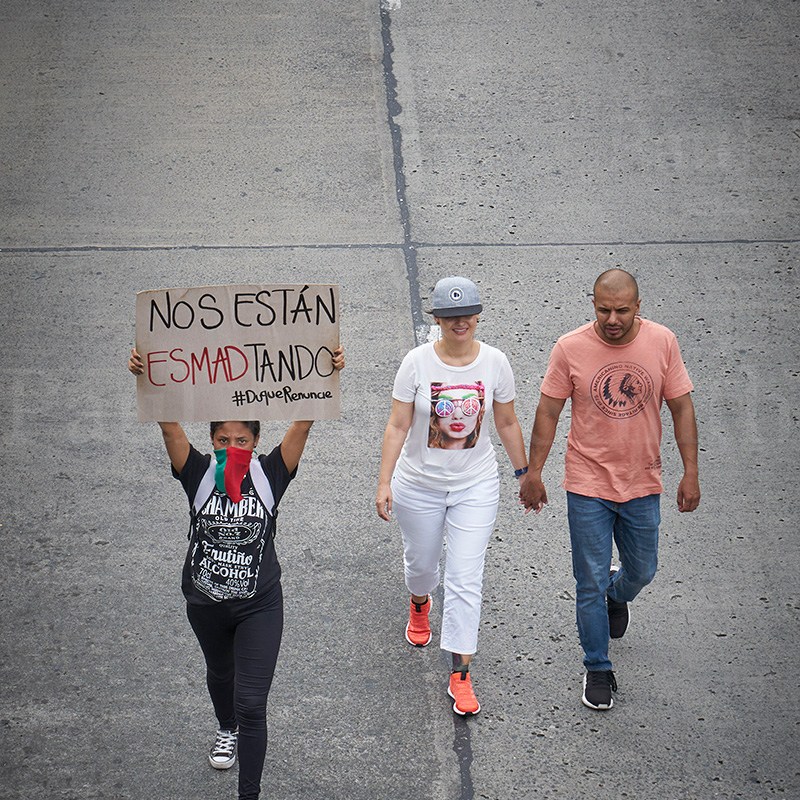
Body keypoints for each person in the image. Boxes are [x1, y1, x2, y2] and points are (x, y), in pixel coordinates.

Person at [128, 345, 344, 800]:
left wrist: (325, 372)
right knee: (220, 674)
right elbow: (168, 425)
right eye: (223, 440)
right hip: (204, 603)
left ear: (256, 442)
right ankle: (225, 728)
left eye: (241, 441)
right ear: (211, 442)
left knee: (252, 704)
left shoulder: (270, 474)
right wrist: (146, 377)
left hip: (258, 605)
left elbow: (303, 423)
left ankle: (249, 793)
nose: (232, 448)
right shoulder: (197, 473)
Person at [519, 269, 700, 711]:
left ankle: (617, 596)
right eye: (603, 310)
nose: (612, 319)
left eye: (621, 310)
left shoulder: (662, 342)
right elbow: (548, 412)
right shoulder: (570, 348)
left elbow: (681, 407)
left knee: (643, 570)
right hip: (587, 484)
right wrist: (533, 473)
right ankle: (597, 667)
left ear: (638, 306)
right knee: (589, 581)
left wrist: (690, 472)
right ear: (593, 305)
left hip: (642, 482)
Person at [376, 276, 528, 716]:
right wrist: (384, 482)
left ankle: (460, 673)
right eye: (449, 316)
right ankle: (419, 602)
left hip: (475, 485)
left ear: (477, 316)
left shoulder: (495, 362)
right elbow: (398, 425)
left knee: (465, 577)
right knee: (422, 565)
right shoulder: (416, 363)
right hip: (418, 484)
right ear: (437, 320)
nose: (459, 322)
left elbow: (507, 422)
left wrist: (524, 474)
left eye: (466, 314)